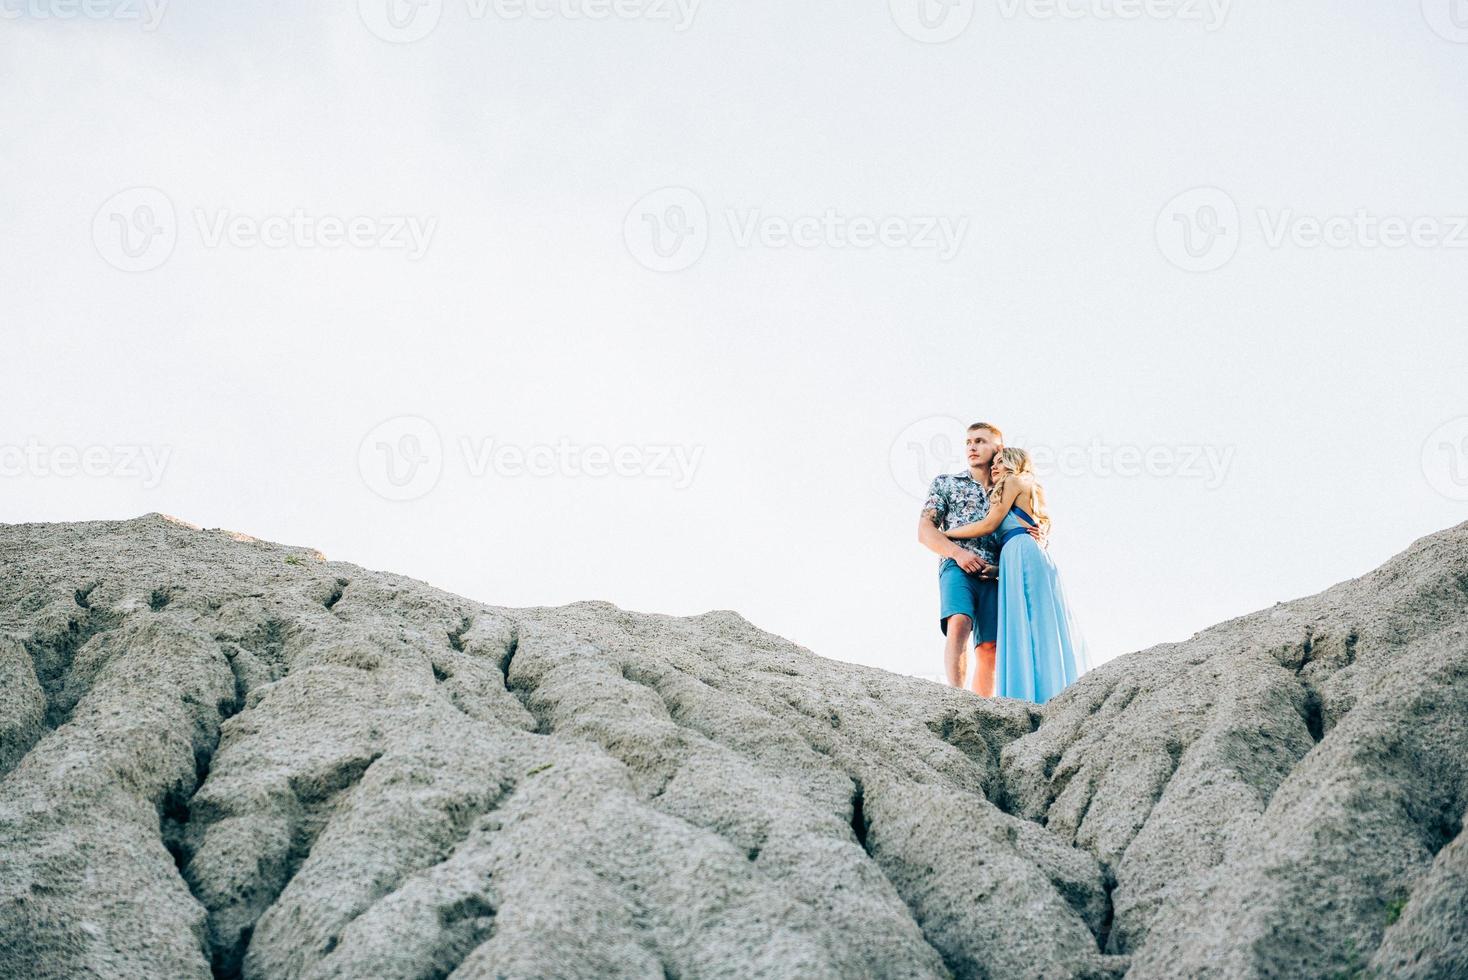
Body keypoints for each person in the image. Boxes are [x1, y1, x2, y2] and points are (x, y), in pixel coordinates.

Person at [942, 446, 1089, 704]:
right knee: (1031, 622)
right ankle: (1039, 692)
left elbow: (989, 525)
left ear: (1013, 462)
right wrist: (999, 570)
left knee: (1030, 622)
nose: (995, 467)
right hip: (1015, 558)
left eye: (1000, 461)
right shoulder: (1015, 487)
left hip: (1022, 553)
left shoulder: (1013, 480)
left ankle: (1036, 695)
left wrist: (946, 534)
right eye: (993, 463)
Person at [918, 422, 1041, 695]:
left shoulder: (1007, 488)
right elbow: (925, 531)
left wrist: (1035, 535)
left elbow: (1032, 526)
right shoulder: (947, 483)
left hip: (996, 573)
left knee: (990, 646)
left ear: (998, 449)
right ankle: (956, 696)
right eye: (969, 442)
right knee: (959, 620)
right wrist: (957, 552)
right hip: (956, 564)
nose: (972, 447)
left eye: (980, 441)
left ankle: (981, 706)